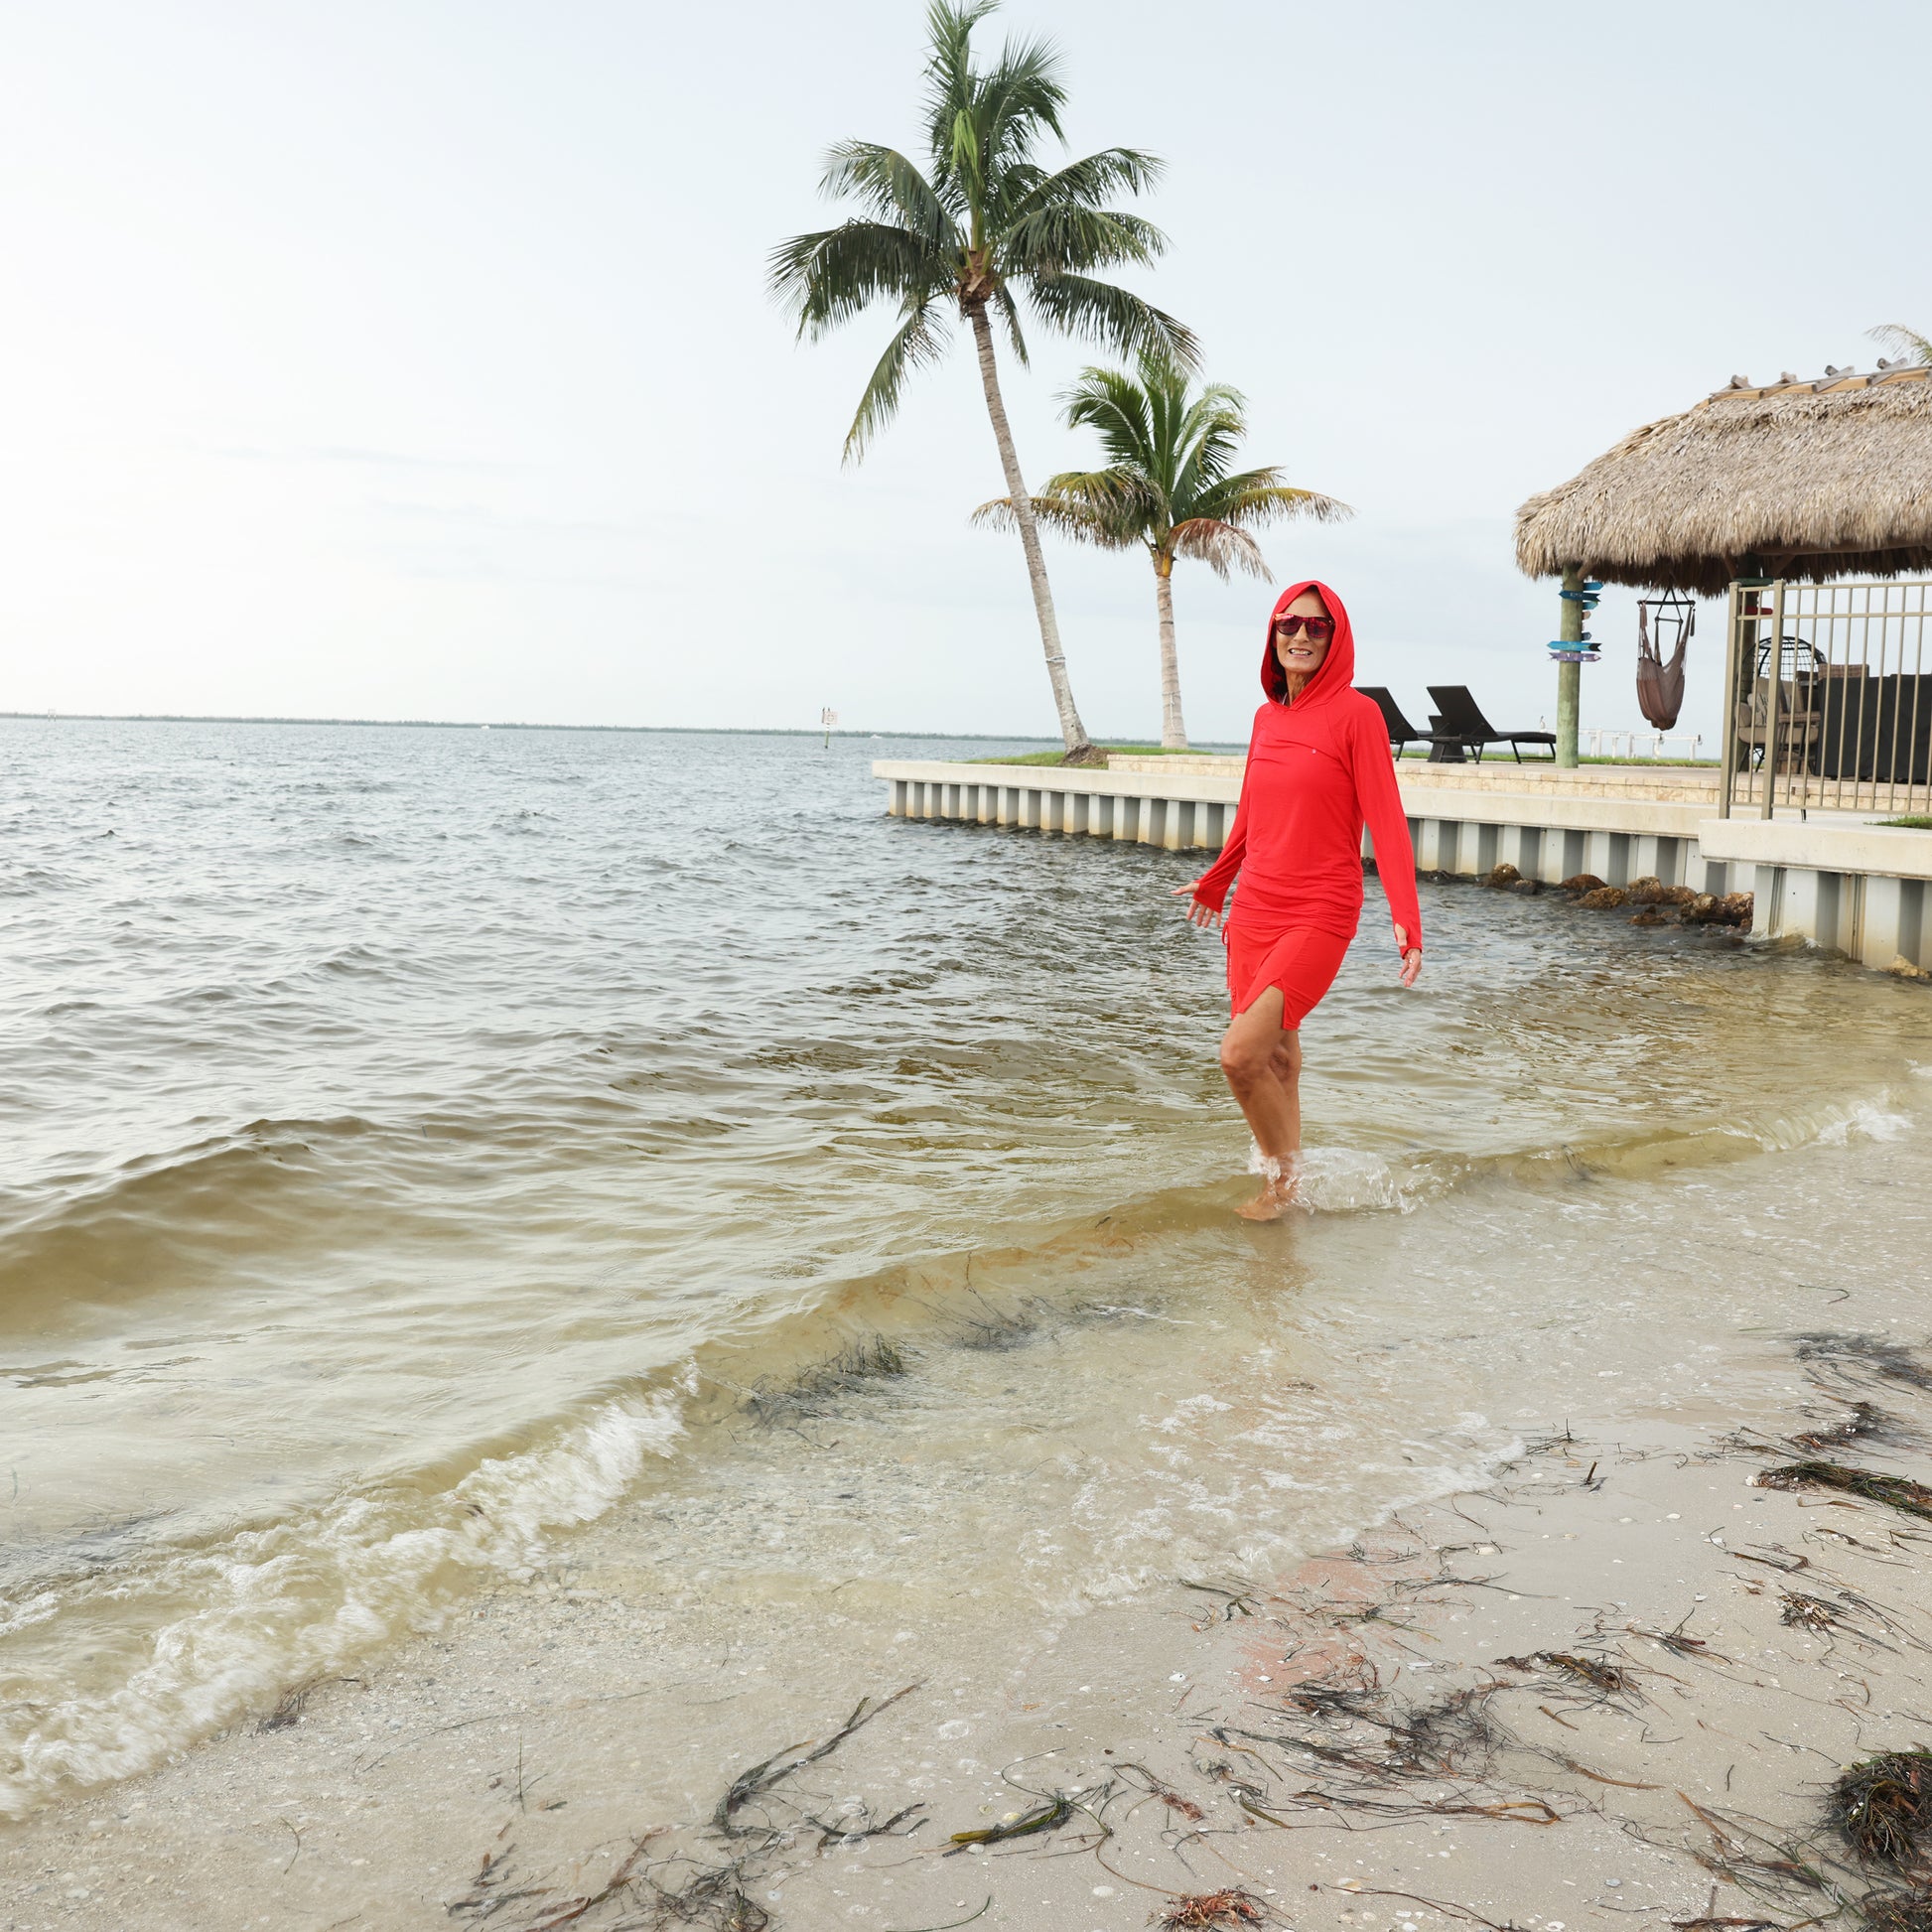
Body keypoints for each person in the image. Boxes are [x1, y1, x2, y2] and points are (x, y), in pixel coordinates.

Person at [1174, 581, 1423, 1219]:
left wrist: (1406, 917)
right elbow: (1252, 813)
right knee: (1279, 1056)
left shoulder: (1358, 715)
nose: (1301, 637)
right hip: (1255, 906)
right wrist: (1218, 879)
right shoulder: (1265, 717)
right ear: (1273, 633)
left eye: (1318, 628)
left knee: (1240, 1055)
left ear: (1336, 639)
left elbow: (1387, 820)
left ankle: (1282, 1185)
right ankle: (1289, 1186)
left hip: (1320, 907)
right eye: (1290, 624)